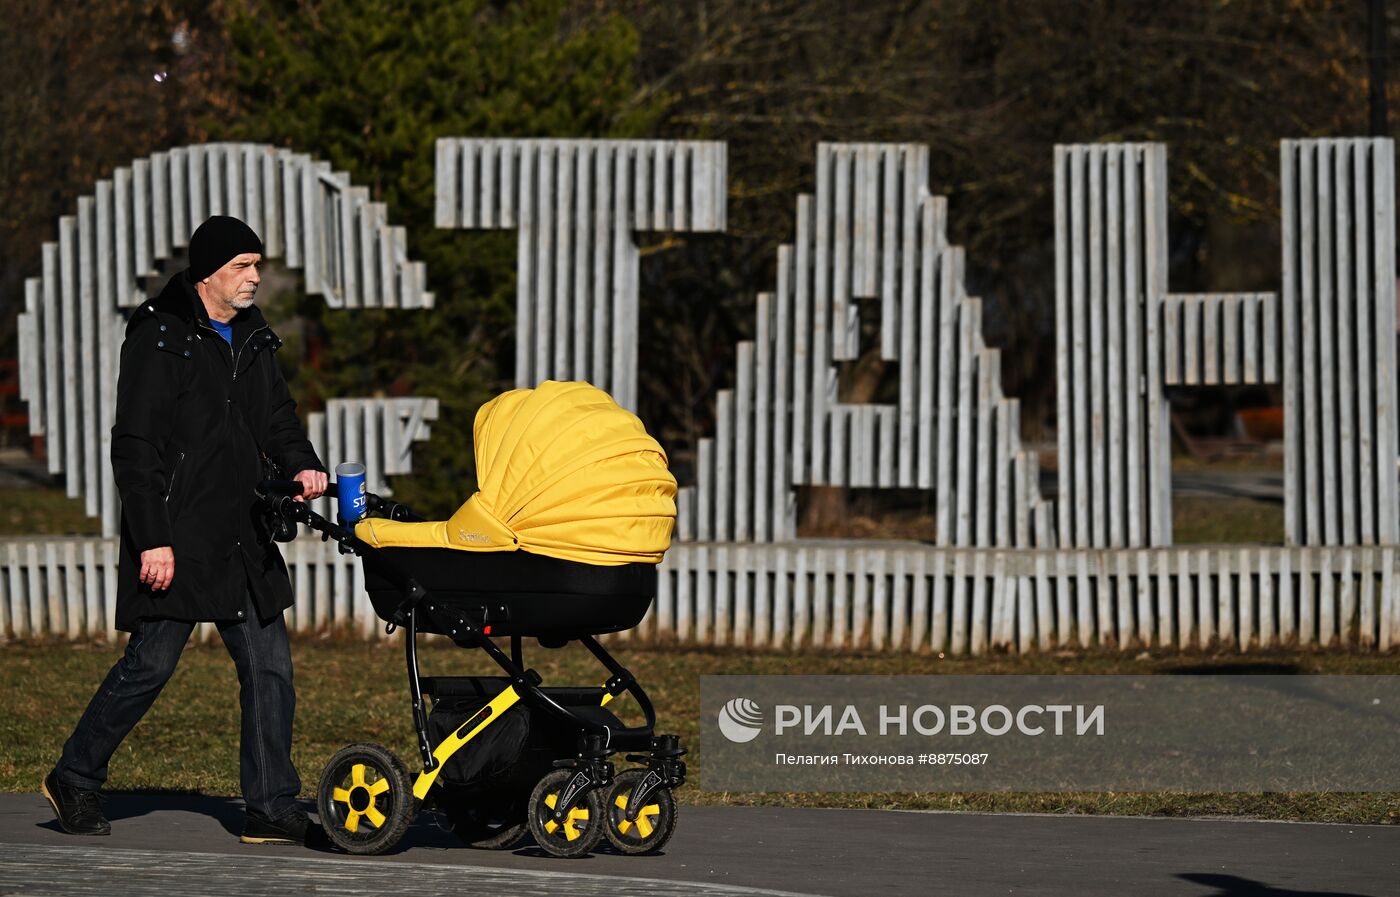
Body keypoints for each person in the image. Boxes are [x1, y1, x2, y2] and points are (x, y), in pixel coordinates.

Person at [41, 215, 329, 845]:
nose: (255, 278)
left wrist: (302, 463)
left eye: (257, 265)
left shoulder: (254, 337)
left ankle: (270, 804)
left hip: (242, 532)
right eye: (242, 267)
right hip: (177, 533)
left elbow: (277, 418)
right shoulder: (161, 335)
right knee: (150, 664)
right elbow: (135, 446)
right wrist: (153, 538)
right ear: (209, 274)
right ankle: (76, 777)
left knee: (270, 667)